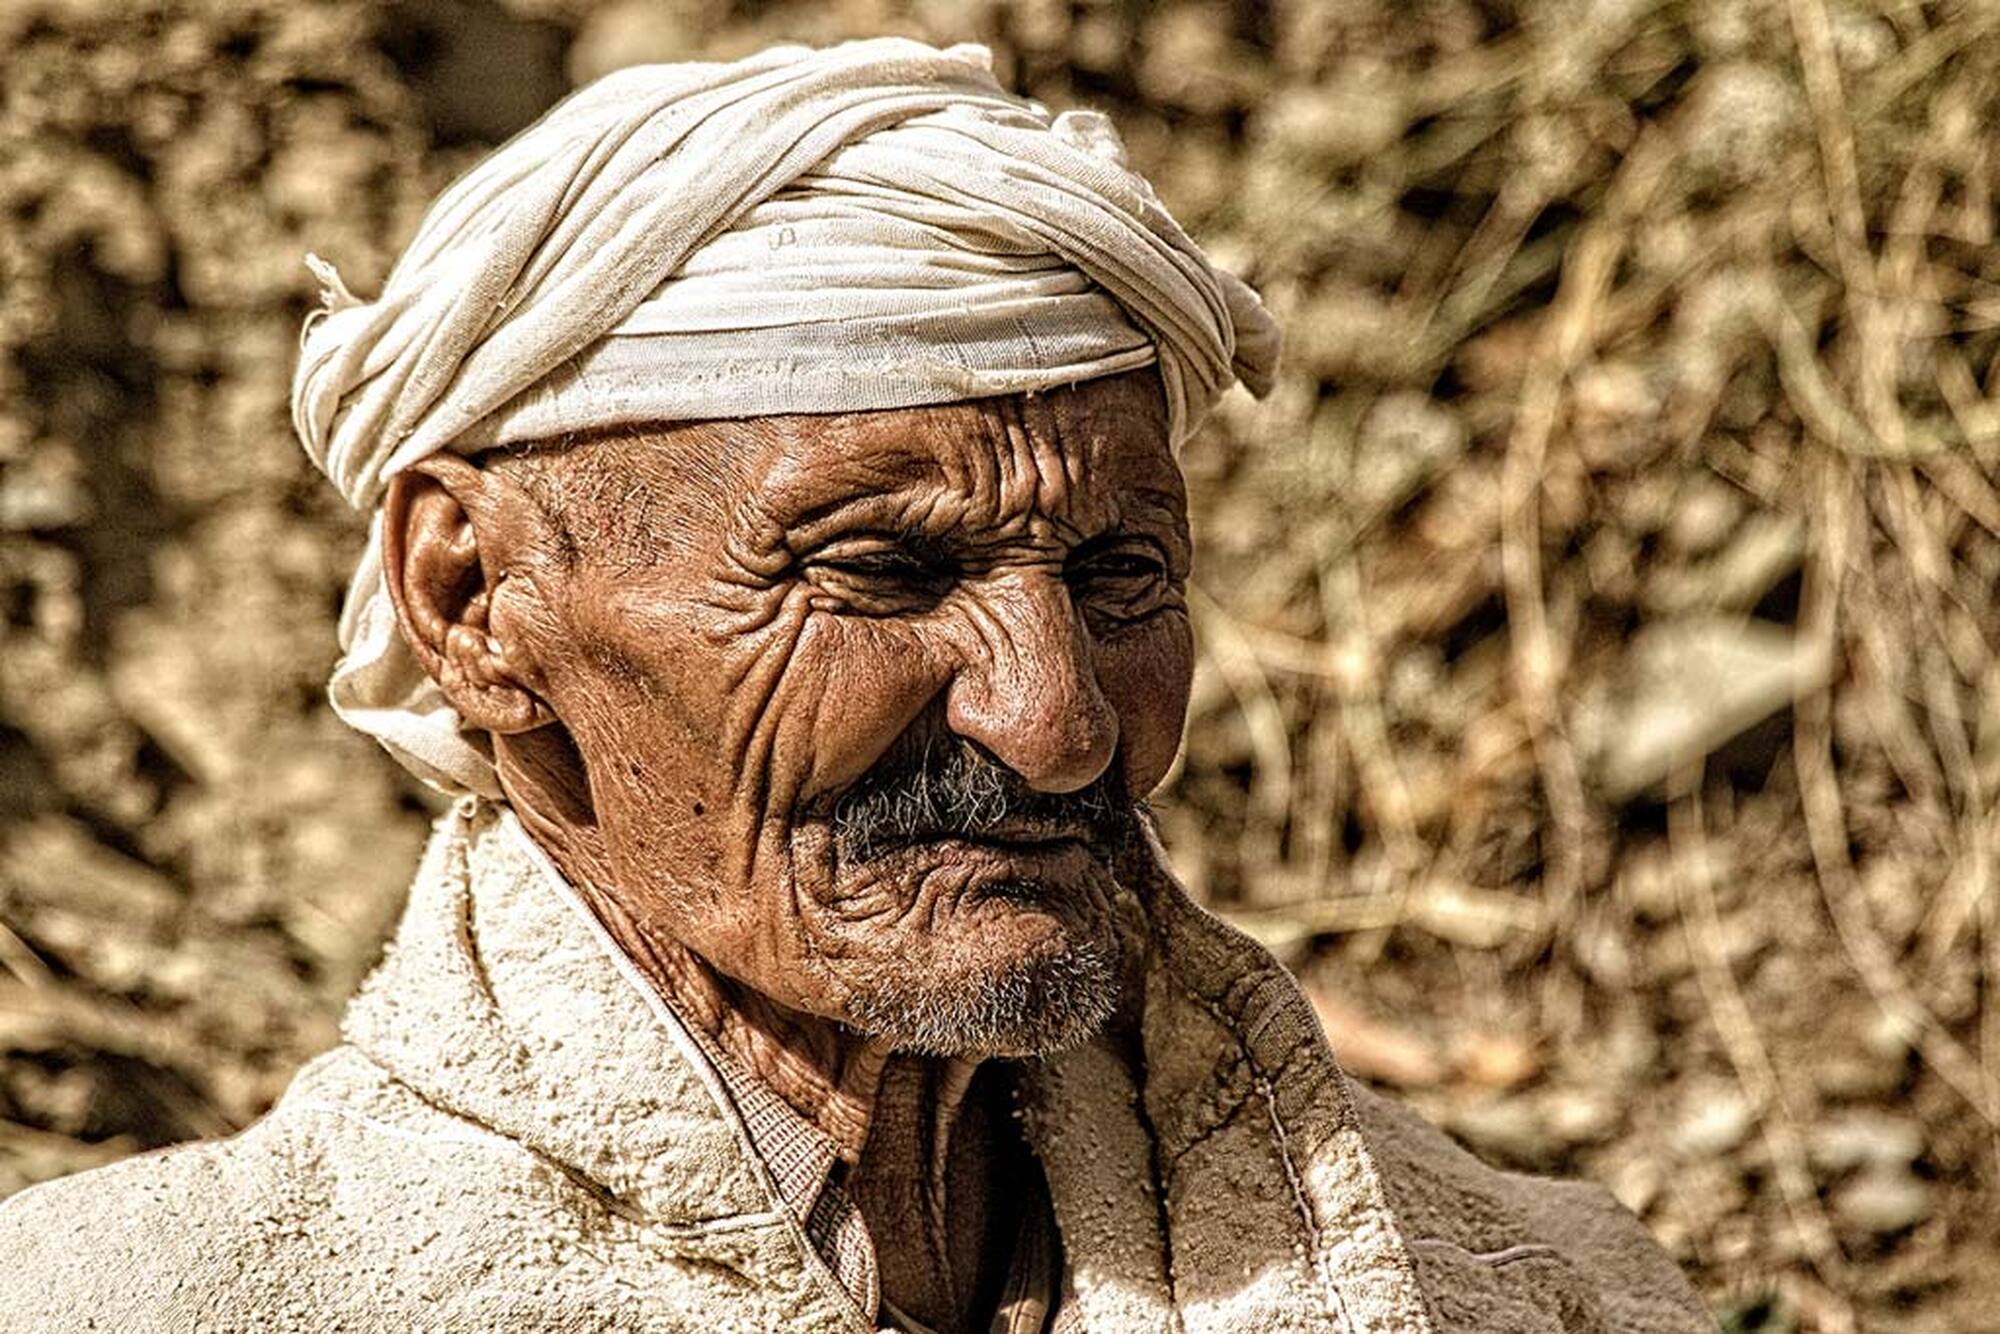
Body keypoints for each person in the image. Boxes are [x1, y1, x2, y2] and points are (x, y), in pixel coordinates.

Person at [0, 39, 1707, 1333]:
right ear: (475, 598)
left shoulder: (1549, 1291)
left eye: (1122, 579)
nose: (1060, 724)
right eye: (880, 572)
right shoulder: (133, 1303)